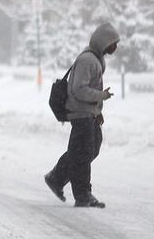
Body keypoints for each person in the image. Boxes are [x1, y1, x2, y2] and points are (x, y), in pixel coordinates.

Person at [44, 22, 120, 208]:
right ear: (103, 42)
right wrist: (100, 97)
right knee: (82, 153)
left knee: (89, 150)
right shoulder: (88, 60)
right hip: (80, 113)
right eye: (113, 43)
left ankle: (56, 177)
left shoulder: (96, 59)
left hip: (89, 113)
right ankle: (83, 194)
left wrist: (98, 110)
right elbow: (78, 89)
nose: (115, 47)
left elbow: (90, 87)